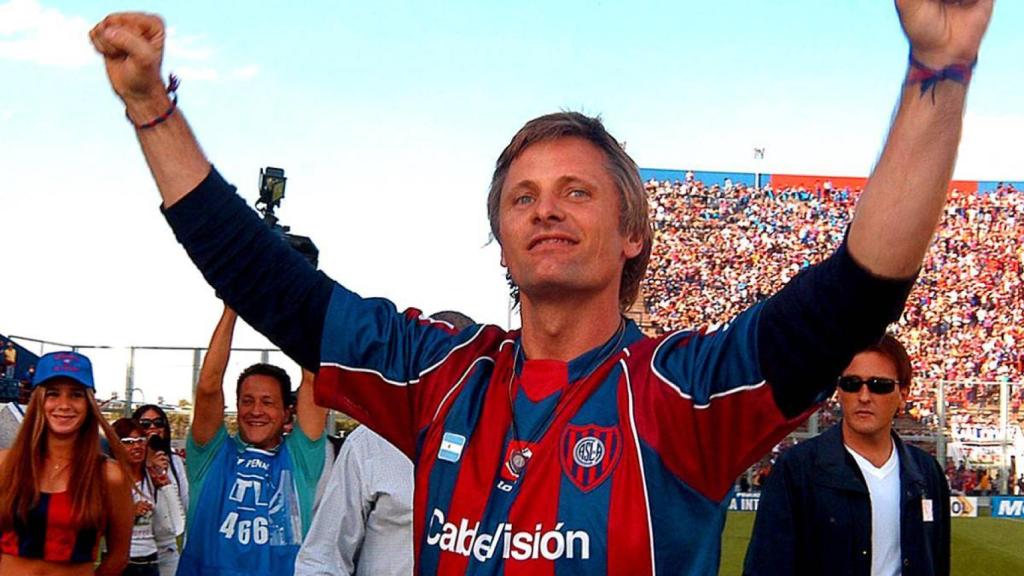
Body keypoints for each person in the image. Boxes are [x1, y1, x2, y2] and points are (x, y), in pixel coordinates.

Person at [91, 2, 993, 573]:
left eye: (576, 191)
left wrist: (939, 73)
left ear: (633, 232)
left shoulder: (684, 392)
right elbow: (267, 281)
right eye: (522, 196)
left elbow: (855, 291)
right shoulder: (442, 375)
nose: (545, 210)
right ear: (502, 240)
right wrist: (150, 108)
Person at [743, 335, 951, 575]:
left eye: (879, 385)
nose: (863, 396)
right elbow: (766, 564)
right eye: (851, 384)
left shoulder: (925, 472)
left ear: (903, 395)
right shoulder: (798, 468)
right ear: (838, 391)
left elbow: (938, 560)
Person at [295, 310, 475, 576]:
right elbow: (322, 558)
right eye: (438, 363)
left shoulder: (506, 448)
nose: (447, 378)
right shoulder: (369, 444)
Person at [176, 305, 327, 576]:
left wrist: (301, 295)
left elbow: (312, 379)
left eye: (267, 402)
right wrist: (232, 304)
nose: (255, 410)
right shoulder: (211, 454)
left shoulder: (300, 459)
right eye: (247, 401)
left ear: (285, 413)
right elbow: (209, 386)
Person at [0, 351, 133, 575]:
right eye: (53, 394)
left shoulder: (109, 476)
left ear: (89, 402)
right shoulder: (5, 465)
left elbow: (118, 557)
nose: (64, 405)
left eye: (75, 395)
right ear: (38, 400)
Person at [113, 418, 186, 576]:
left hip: (150, 561)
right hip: (120, 561)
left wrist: (164, 487)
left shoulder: (152, 477)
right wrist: (129, 512)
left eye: (141, 440)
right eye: (128, 442)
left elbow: (177, 524)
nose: (137, 446)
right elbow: (98, 520)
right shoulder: (111, 478)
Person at [131, 403, 189, 575]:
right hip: (135, 552)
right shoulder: (126, 465)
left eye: (158, 423)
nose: (153, 428)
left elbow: (185, 504)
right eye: (145, 424)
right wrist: (147, 466)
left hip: (167, 551)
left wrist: (164, 481)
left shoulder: (174, 462)